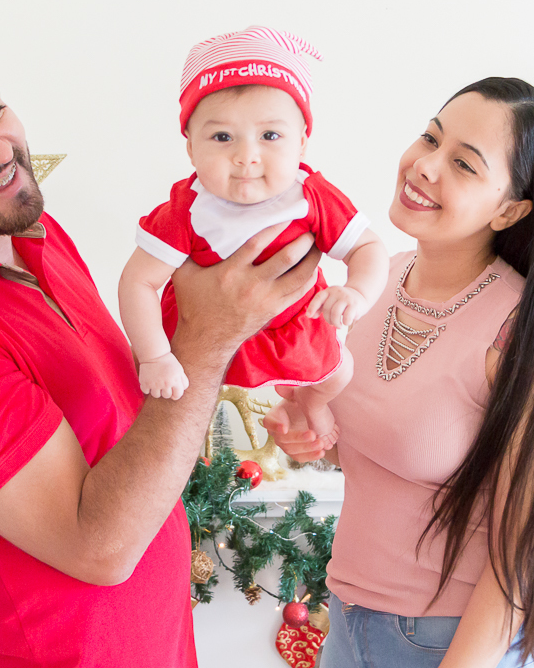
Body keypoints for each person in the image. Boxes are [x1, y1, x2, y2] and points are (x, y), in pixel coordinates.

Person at [0, 24, 321, 668]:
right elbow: (100, 549)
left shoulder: (29, 228)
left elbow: (140, 402)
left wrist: (280, 364)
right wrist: (207, 340)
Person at [265, 78, 534, 668]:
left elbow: (523, 555)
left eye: (464, 164)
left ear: (510, 209)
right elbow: (400, 446)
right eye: (430, 138)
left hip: (455, 643)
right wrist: (312, 434)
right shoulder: (379, 277)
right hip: (349, 622)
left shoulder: (519, 332)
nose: (426, 166)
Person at [119, 26, 389, 447]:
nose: (246, 156)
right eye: (222, 137)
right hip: (205, 334)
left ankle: (309, 403)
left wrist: (357, 292)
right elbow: (138, 281)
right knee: (182, 403)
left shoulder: (311, 196)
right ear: (190, 147)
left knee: (341, 373)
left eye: (270, 136)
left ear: (301, 142)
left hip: (295, 326)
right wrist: (155, 356)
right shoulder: (186, 209)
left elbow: (368, 247)